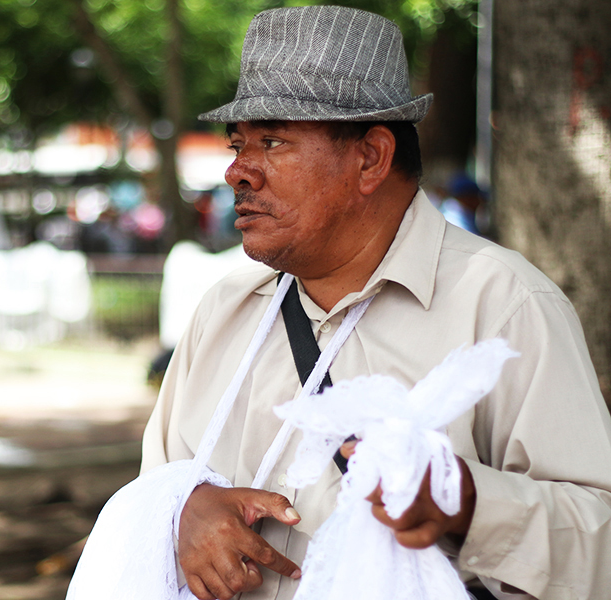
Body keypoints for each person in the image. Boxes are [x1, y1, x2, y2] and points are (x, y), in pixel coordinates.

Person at [141, 6, 611, 600]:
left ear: (371, 158)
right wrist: (185, 513)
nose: (238, 171)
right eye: (238, 144)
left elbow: (601, 544)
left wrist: (469, 504)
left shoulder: (503, 306)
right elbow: (156, 489)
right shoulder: (225, 313)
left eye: (273, 141)